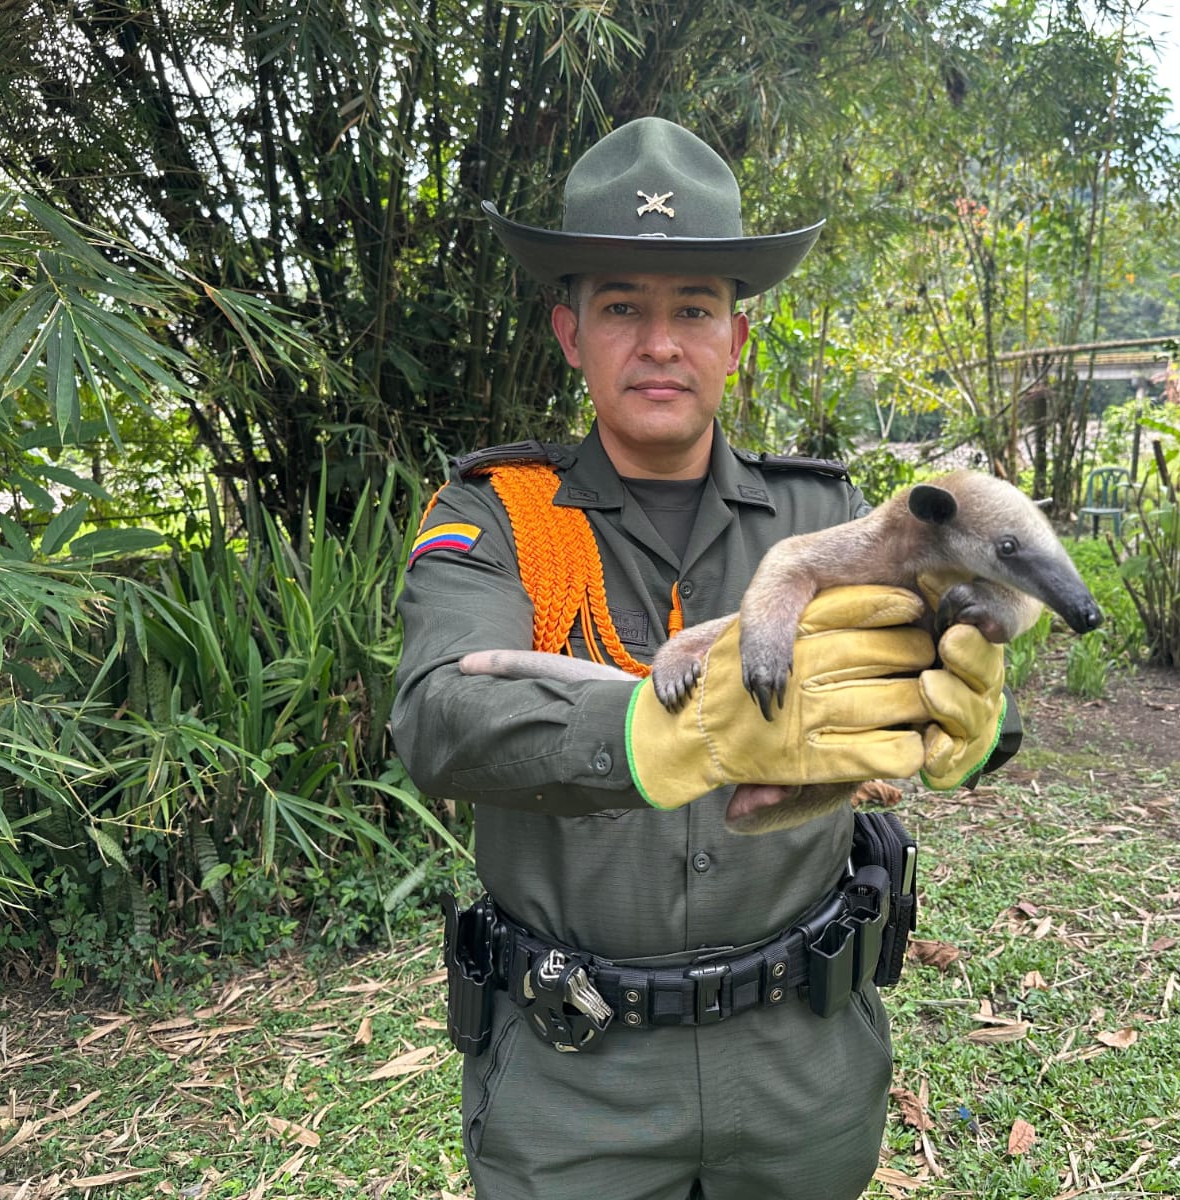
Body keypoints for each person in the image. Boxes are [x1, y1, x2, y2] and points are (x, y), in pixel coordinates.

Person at [392, 116, 1021, 1200]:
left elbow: (957, 686)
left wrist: (971, 729)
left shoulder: (831, 519)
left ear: (737, 338)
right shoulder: (502, 518)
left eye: (694, 310)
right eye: (622, 308)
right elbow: (440, 720)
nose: (661, 342)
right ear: (568, 332)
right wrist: (661, 732)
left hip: (802, 1066)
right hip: (570, 1079)